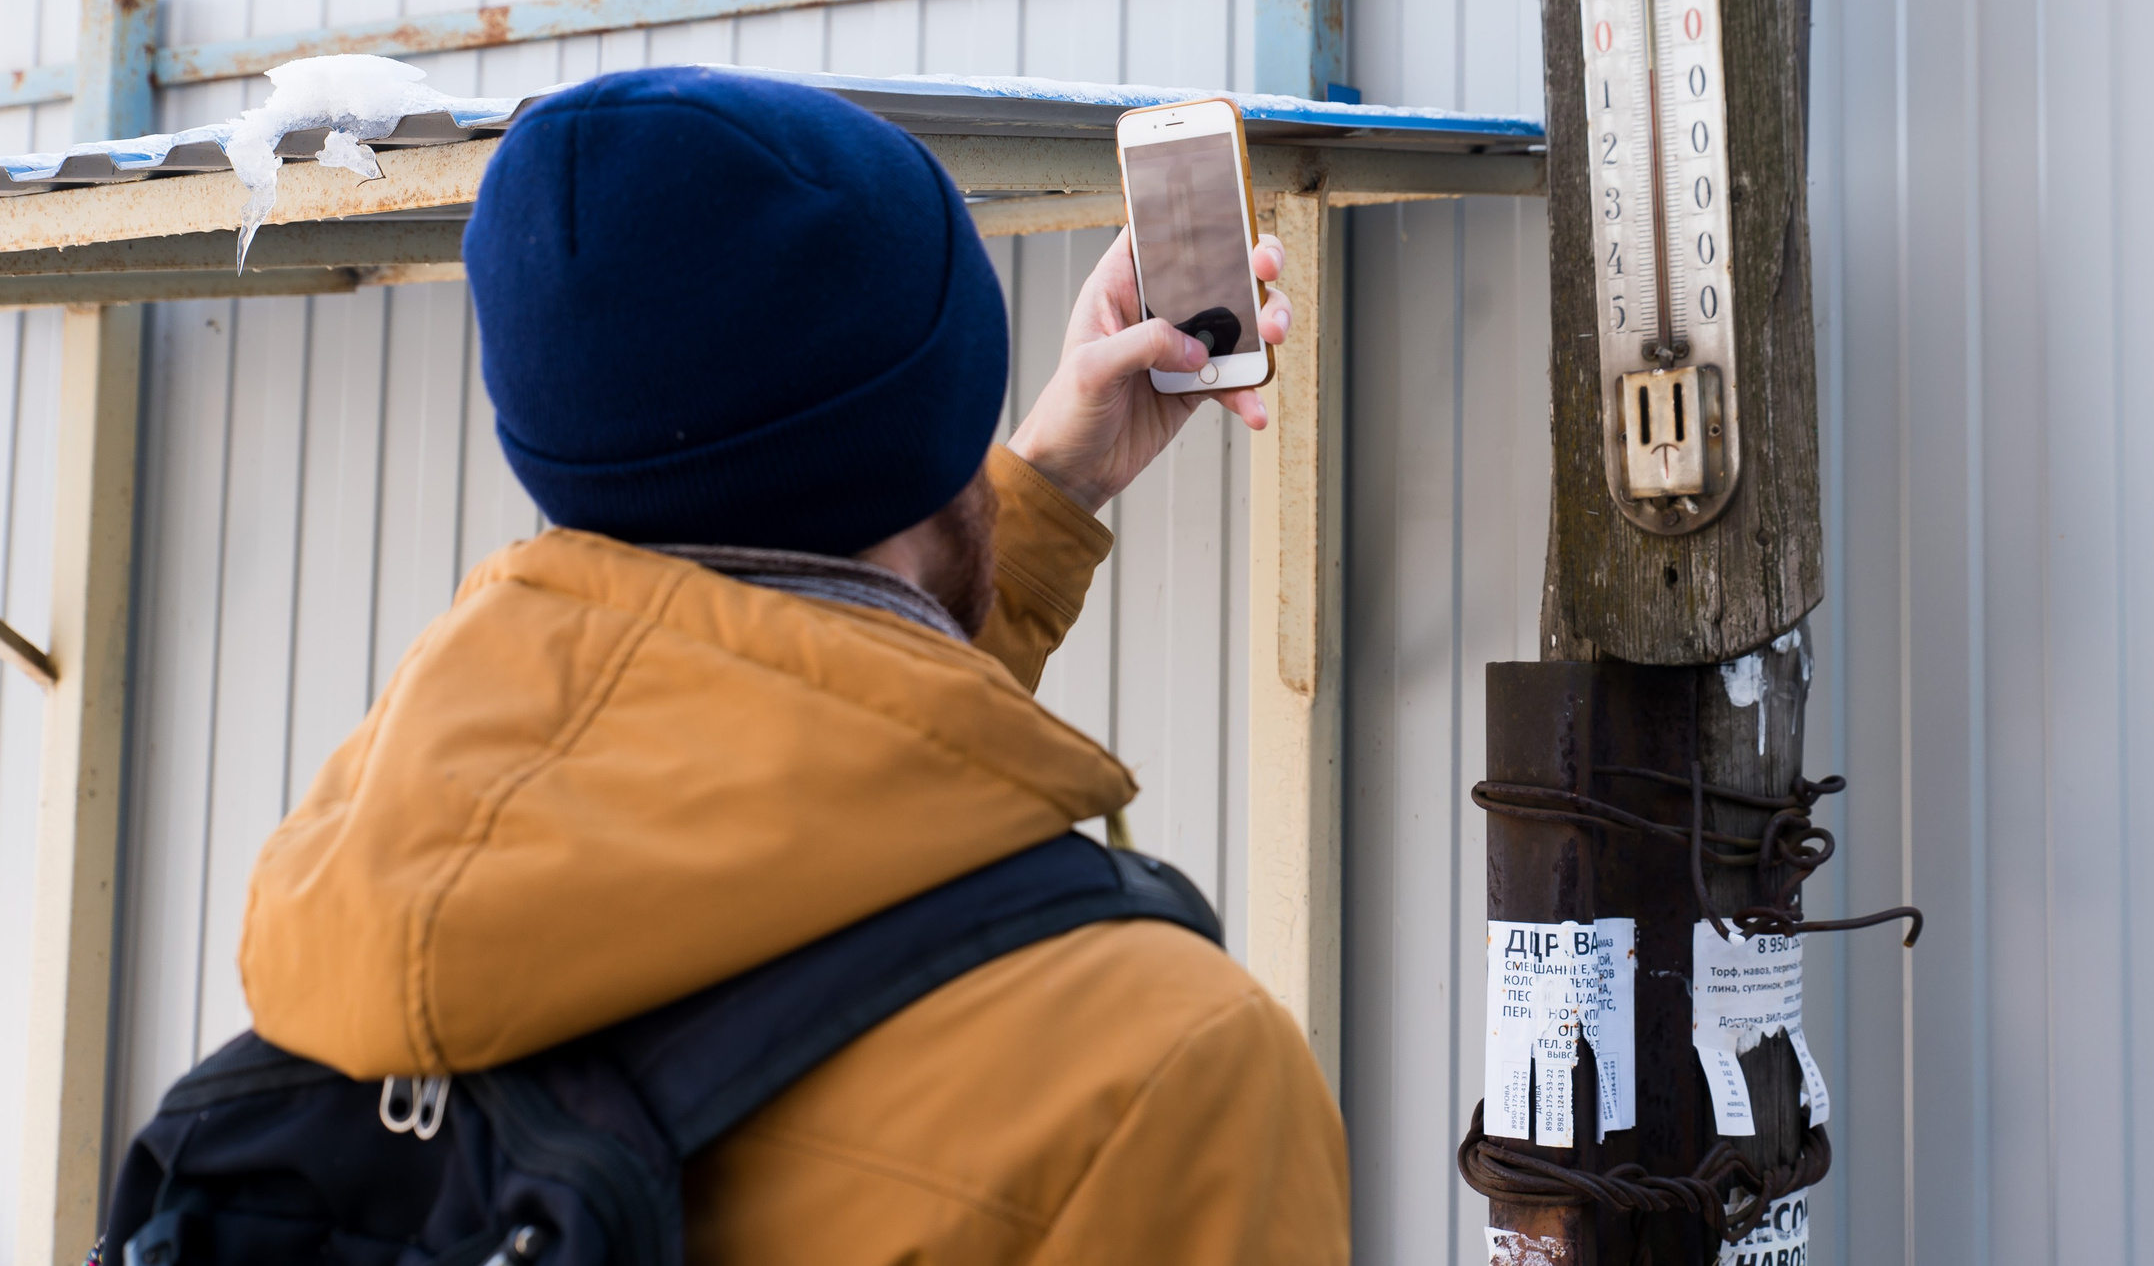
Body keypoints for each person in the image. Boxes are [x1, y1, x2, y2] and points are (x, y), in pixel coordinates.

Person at [235, 67, 1349, 1264]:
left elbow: (772, 748)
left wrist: (1033, 491)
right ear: (937, 411)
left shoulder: (362, 924)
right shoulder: (1159, 1068)